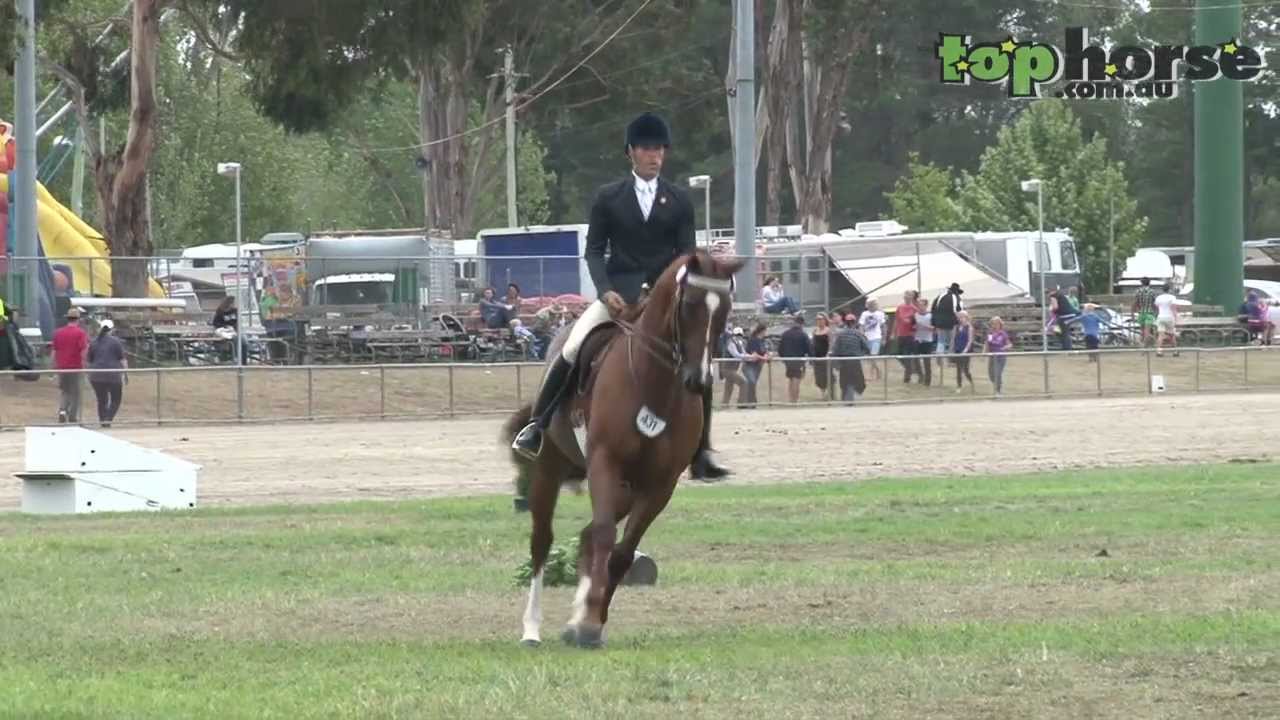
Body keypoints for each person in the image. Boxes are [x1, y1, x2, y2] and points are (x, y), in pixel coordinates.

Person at [511, 112, 731, 479]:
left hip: (666, 299)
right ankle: (536, 425)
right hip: (619, 294)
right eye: (646, 148)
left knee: (699, 361)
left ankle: (702, 450)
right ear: (631, 152)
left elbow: (686, 255)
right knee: (572, 345)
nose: (654, 155)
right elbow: (594, 251)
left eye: (659, 148)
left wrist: (677, 291)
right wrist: (606, 290)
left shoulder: (678, 200)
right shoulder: (609, 197)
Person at [52, 307, 90, 423]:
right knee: (76, 393)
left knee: (65, 391)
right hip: (75, 367)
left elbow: (54, 351)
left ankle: (62, 411)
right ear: (78, 319)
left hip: (62, 367)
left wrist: (54, 367)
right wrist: (85, 365)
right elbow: (83, 350)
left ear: (67, 318)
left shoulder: (58, 333)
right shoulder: (80, 333)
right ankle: (73, 416)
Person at [87, 319, 128, 426]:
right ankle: (107, 419)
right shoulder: (116, 342)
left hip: (96, 375)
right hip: (113, 375)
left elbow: (90, 360)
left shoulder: (94, 342)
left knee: (101, 400)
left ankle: (103, 420)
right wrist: (126, 374)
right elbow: (122, 359)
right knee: (116, 399)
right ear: (112, 329)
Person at [778, 313, 812, 403]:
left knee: (791, 378)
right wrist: (811, 358)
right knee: (796, 379)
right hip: (799, 360)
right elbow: (809, 348)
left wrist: (783, 358)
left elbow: (780, 348)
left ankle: (791, 399)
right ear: (802, 324)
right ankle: (794, 400)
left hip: (788, 360)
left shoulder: (785, 334)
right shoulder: (803, 335)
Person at [931, 283, 964, 367]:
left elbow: (933, 308)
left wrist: (934, 322)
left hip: (939, 322)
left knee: (941, 340)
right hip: (951, 322)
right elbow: (958, 310)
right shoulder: (956, 298)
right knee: (951, 341)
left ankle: (939, 356)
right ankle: (950, 360)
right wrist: (960, 322)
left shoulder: (940, 296)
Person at [859, 299, 886, 380]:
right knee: (870, 357)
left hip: (876, 337)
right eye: (871, 304)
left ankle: (871, 374)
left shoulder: (880, 314)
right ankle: (879, 372)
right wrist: (861, 333)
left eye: (874, 304)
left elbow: (884, 326)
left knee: (873, 356)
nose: (873, 305)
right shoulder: (864, 314)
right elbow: (861, 325)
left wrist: (884, 338)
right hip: (867, 338)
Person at [984, 316, 1011, 396]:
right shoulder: (990, 333)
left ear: (1000, 324)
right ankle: (997, 384)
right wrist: (984, 352)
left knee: (997, 373)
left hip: (1000, 357)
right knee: (991, 375)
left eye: (996, 323)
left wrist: (1005, 347)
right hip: (992, 356)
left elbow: (1009, 344)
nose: (995, 325)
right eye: (993, 324)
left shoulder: (1003, 334)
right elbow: (987, 344)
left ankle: (998, 391)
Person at [810, 313, 833, 399]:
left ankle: (829, 392)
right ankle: (822, 392)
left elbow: (831, 343)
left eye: (820, 319)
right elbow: (812, 343)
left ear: (825, 320)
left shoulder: (828, 330)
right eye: (817, 319)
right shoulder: (815, 331)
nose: (819, 321)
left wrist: (828, 353)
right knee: (818, 375)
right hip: (816, 356)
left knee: (827, 374)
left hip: (825, 356)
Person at [1154, 283, 1180, 357]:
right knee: (1172, 335)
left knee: (1160, 335)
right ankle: (1175, 351)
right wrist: (1176, 318)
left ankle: (1159, 351)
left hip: (1161, 317)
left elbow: (1156, 307)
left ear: (1162, 289)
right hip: (1169, 317)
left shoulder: (1158, 298)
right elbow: (1174, 308)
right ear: (1169, 289)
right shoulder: (1172, 297)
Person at [952, 310, 975, 392]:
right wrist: (951, 349)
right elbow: (953, 339)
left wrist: (965, 350)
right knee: (958, 369)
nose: (960, 319)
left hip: (966, 351)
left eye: (962, 317)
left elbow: (970, 340)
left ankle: (971, 382)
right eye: (959, 317)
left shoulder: (969, 327)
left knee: (965, 369)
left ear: (966, 317)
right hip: (957, 350)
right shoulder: (956, 327)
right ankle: (959, 386)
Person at [1131, 277, 1158, 346]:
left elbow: (1135, 303)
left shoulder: (1138, 291)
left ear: (1141, 283)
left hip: (1141, 313)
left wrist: (1132, 313)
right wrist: (1156, 313)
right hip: (1149, 313)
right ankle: (1148, 345)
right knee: (1147, 331)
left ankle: (1143, 344)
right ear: (1149, 283)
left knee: (1142, 331)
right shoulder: (1152, 292)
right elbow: (1155, 304)